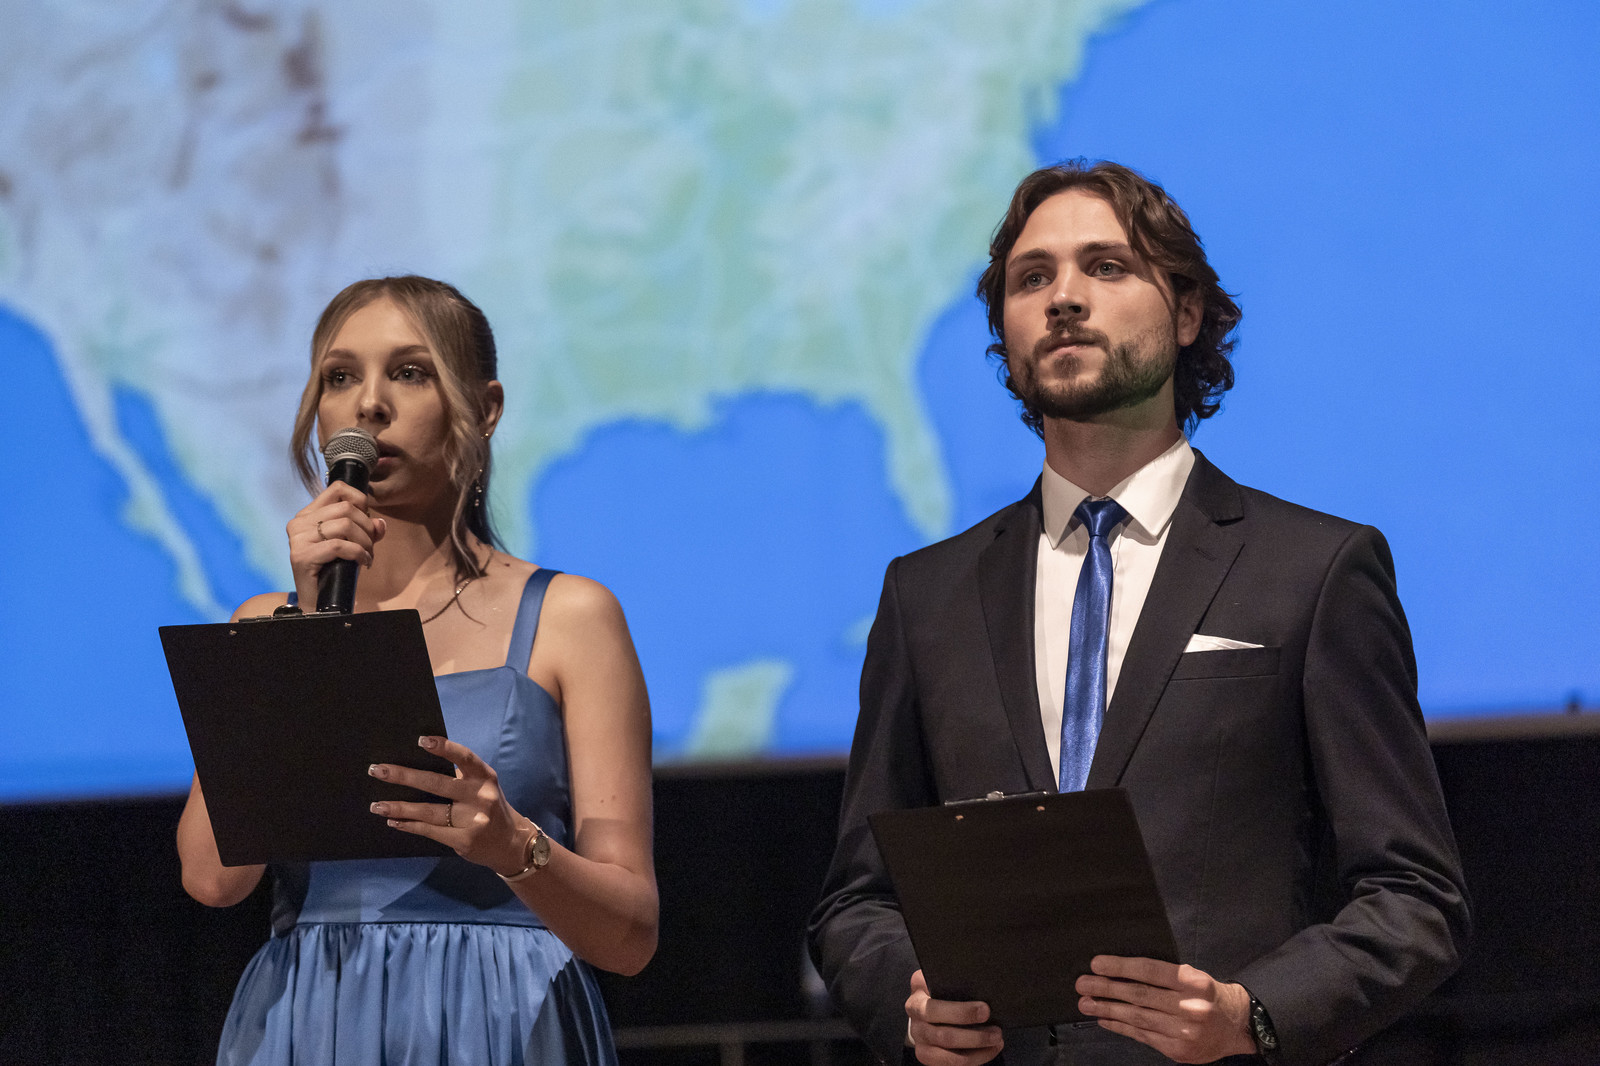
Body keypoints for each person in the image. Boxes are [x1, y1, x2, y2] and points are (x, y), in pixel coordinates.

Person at [807, 162, 1470, 1066]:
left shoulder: (1314, 571)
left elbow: (1415, 896)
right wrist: (912, 1007)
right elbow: (855, 901)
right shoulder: (927, 595)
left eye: (1107, 266)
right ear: (1005, 329)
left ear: (1187, 313)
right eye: (1031, 278)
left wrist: (1252, 1015)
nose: (1063, 298)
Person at [176, 275, 657, 1065]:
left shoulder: (571, 617)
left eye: (409, 372)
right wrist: (307, 636)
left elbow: (631, 935)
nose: (368, 405)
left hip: (502, 1021)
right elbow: (211, 879)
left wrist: (514, 845)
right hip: (312, 1022)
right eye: (340, 377)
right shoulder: (267, 624)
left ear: (485, 407)